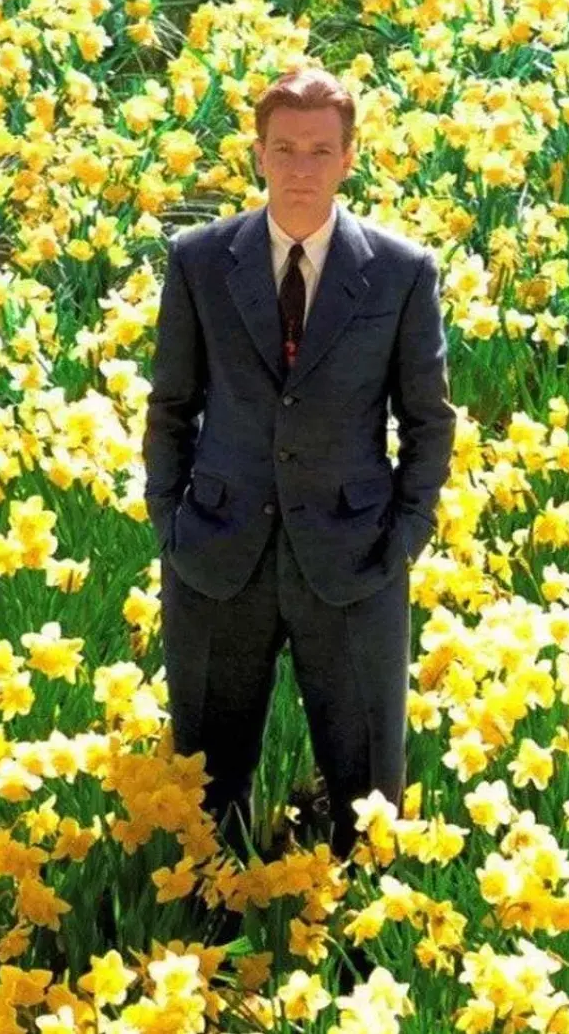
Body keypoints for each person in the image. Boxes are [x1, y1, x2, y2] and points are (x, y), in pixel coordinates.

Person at [142, 66, 456, 864]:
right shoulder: (200, 260)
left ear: (349, 157)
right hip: (217, 552)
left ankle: (361, 922)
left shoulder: (400, 270)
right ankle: (207, 913)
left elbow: (428, 420)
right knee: (206, 788)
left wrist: (405, 536)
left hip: (355, 556)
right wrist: (170, 521)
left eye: (320, 151)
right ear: (258, 154)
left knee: (368, 788)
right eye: (284, 149)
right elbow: (171, 405)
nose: (301, 170)